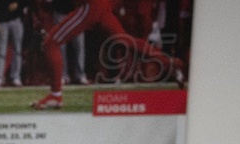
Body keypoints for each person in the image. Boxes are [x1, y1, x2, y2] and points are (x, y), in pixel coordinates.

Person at [32, 0, 185, 108]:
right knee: (125, 41)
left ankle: (56, 95)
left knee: (50, 44)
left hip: (91, 5)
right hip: (100, 5)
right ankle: (170, 62)